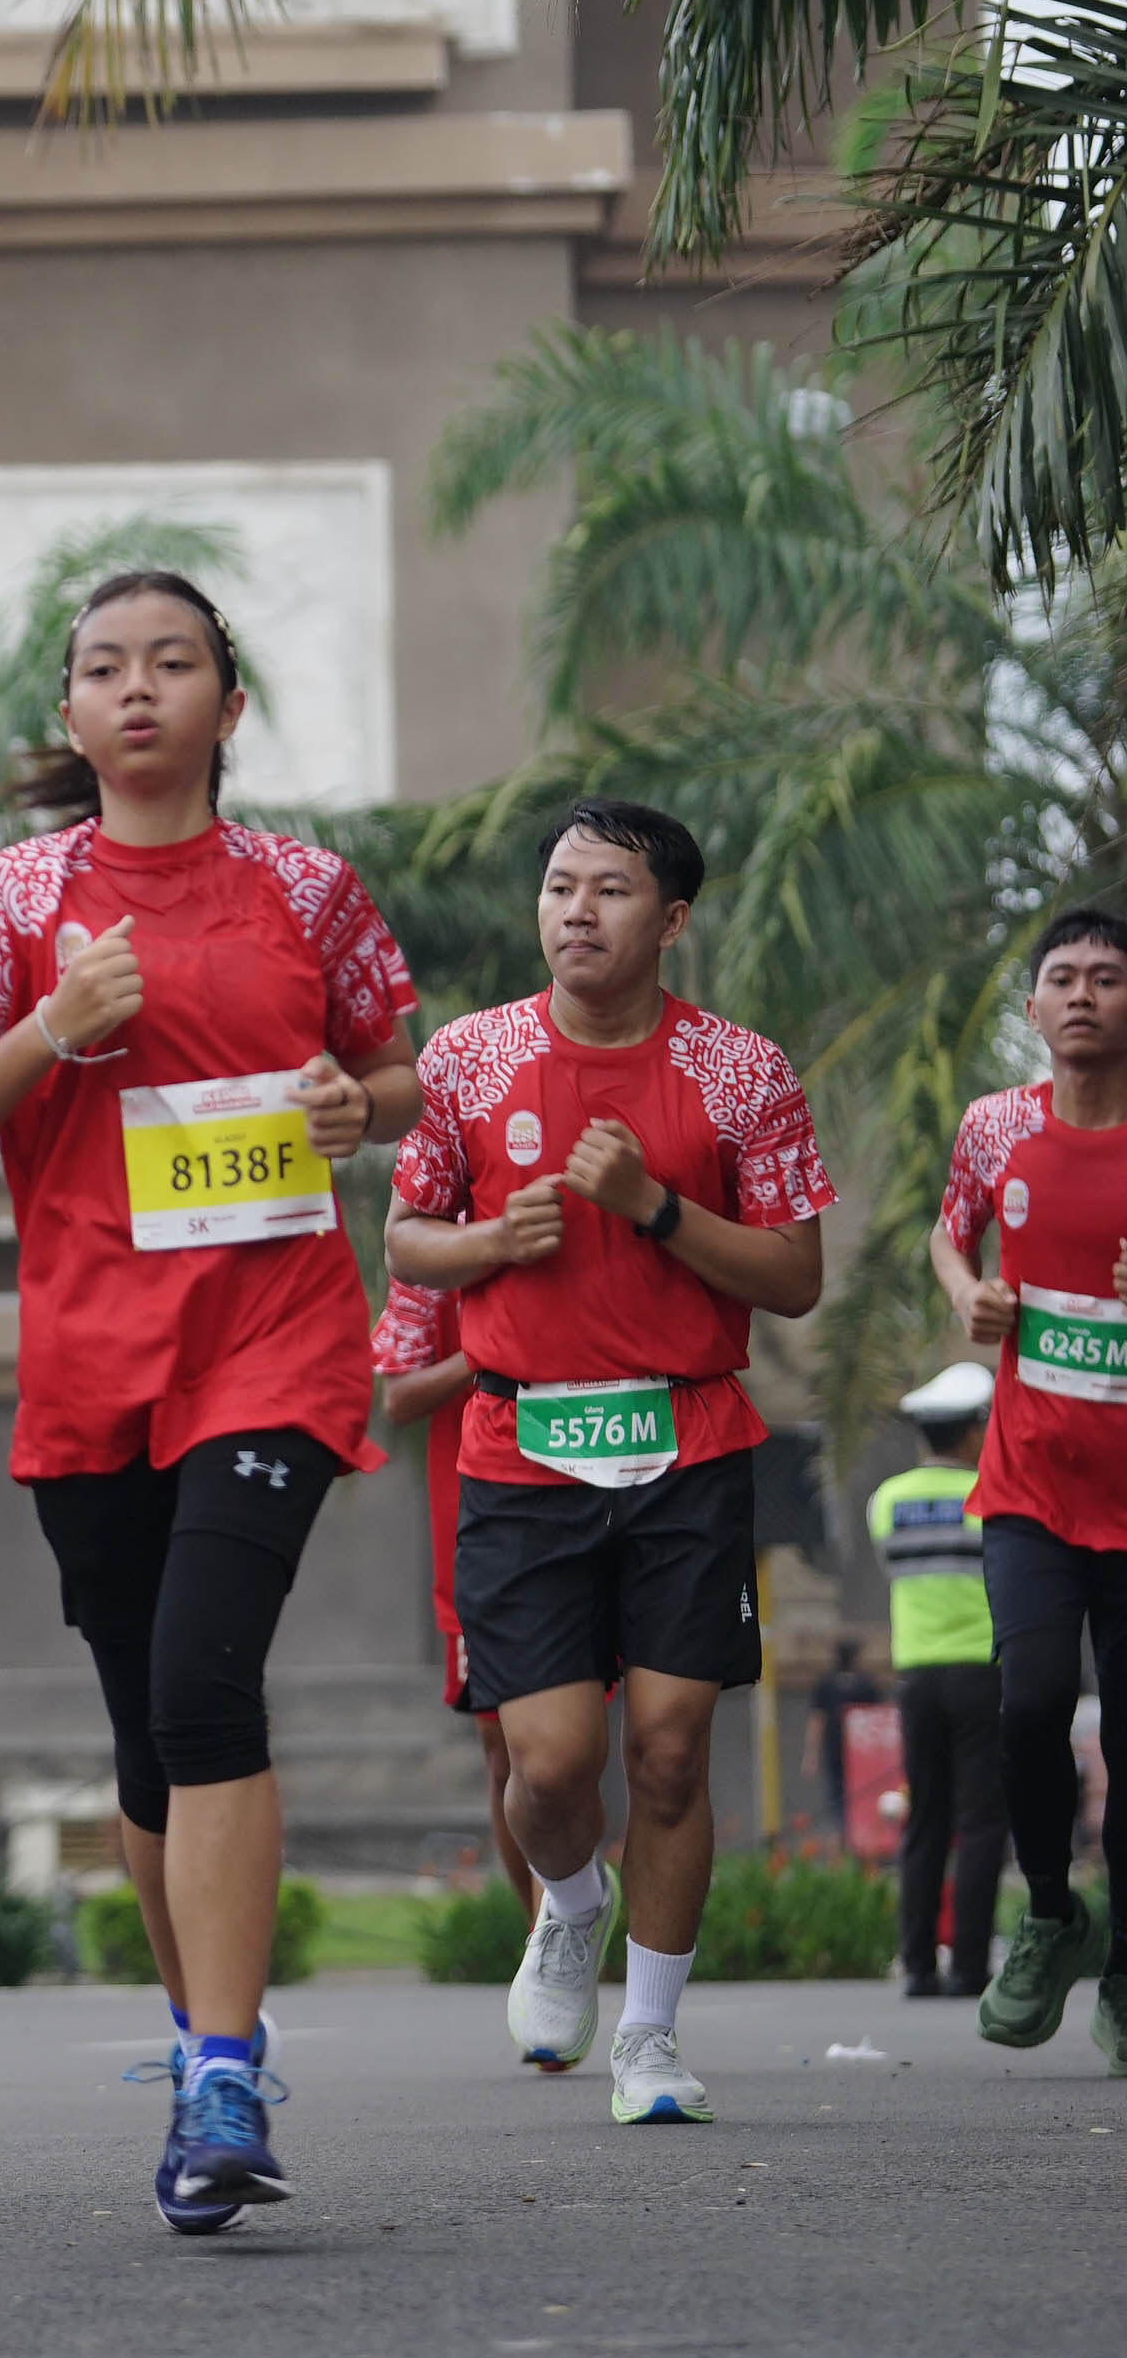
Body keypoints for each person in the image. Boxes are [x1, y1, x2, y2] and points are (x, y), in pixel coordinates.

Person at [0, 568, 419, 2227]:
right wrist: (51, 1027)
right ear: (67, 713)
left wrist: (358, 1105)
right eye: (104, 667)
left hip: (272, 1339)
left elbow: (398, 1067)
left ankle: (230, 2069)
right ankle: (197, 2051)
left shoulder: (306, 890)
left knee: (200, 1688)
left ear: (225, 704)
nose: (136, 689)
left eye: (170, 663)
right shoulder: (6, 905)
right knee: (142, 1739)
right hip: (94, 1364)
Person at [385, 800, 833, 2126]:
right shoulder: (468, 1059)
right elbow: (407, 1238)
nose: (575, 910)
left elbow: (795, 1278)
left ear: (672, 920)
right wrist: (489, 1243)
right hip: (521, 1448)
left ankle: (648, 2037)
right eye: (559, 886)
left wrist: (655, 1208)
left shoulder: (741, 1072)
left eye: (610, 889)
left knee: (672, 1752)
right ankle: (572, 1903)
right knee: (549, 1765)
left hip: (687, 1442)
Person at [928, 902, 1127, 2073]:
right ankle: (1051, 1912)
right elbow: (946, 1236)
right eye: (1062, 976)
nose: (1082, 994)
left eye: (1106, 975)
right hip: (1029, 1490)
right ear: (1032, 1006)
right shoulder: (994, 1125)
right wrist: (967, 1294)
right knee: (1028, 1704)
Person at [373, 1277, 536, 1918]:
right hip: (475, 1524)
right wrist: (485, 1347)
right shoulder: (433, 1245)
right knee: (503, 1750)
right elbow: (398, 1397)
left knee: (573, 1750)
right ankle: (543, 1936)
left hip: (588, 1493)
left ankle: (587, 1926)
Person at [870, 1360, 1004, 1999]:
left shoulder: (887, 1501)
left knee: (925, 1817)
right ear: (974, 1431)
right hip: (981, 1672)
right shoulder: (991, 1494)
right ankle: (970, 1967)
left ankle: (918, 1964)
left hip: (916, 1676)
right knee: (980, 1821)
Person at [800, 1636, 883, 1842]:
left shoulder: (826, 1684)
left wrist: (811, 1756)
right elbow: (876, 1720)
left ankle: (843, 1834)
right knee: (858, 1794)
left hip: (834, 1748)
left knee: (837, 1795)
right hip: (860, 1751)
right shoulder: (865, 1685)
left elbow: (817, 1721)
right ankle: (854, 1836)